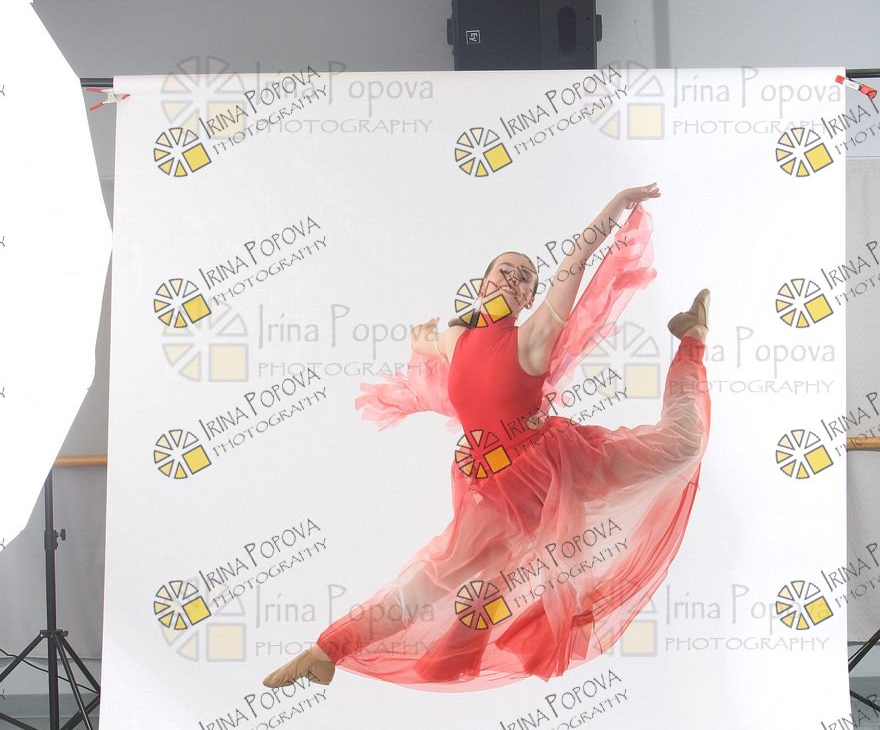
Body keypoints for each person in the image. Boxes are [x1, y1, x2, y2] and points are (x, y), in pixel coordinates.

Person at [262, 183, 710, 693]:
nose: (514, 279)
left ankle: (691, 338)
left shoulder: (534, 336)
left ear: (528, 298)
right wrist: (420, 338)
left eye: (525, 278)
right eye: (505, 271)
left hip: (561, 466)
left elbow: (576, 260)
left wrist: (618, 204)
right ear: (482, 283)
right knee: (434, 582)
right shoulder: (456, 339)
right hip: (492, 487)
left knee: (684, 445)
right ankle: (327, 651)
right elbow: (431, 343)